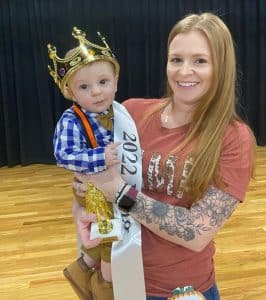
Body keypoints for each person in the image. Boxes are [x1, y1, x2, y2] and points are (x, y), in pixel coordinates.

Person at [71, 12, 256, 300]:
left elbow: (195, 232)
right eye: (176, 59)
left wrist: (119, 192)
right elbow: (87, 182)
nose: (184, 71)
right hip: (117, 278)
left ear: (221, 66)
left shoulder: (234, 138)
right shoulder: (130, 112)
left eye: (200, 61)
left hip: (179, 289)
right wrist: (84, 207)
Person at [48, 27, 122, 300]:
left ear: (115, 80)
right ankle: (105, 289)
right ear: (70, 92)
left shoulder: (119, 111)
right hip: (93, 192)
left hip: (115, 186)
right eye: (84, 87)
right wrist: (99, 156)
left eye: (103, 82)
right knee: (111, 241)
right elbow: (63, 155)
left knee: (116, 233)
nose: (97, 92)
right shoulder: (72, 119)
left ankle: (82, 269)